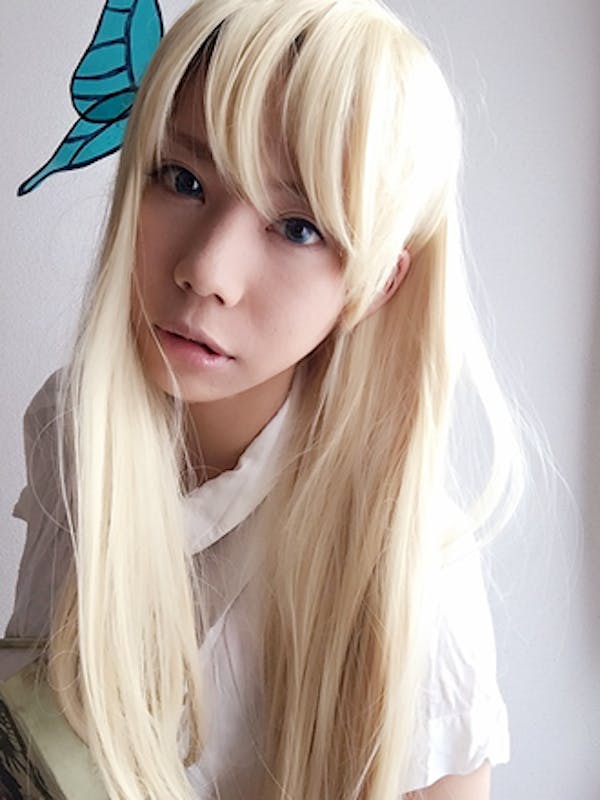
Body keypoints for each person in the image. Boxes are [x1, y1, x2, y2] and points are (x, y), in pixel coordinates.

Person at [4, 0, 525, 797]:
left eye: (298, 227)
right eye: (183, 179)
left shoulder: (406, 578)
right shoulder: (73, 424)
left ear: (375, 285)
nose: (206, 270)